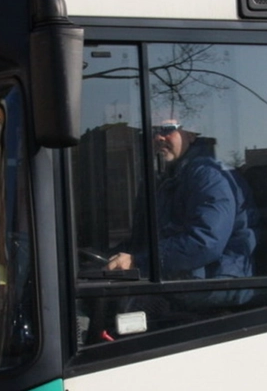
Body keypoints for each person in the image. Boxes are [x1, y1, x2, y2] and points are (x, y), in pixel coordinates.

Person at [108, 119, 257, 309]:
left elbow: (205, 242)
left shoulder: (209, 177)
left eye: (167, 129)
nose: (158, 137)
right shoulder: (167, 179)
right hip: (185, 283)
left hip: (214, 286)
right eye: (154, 131)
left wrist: (139, 261)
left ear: (192, 134)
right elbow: (145, 242)